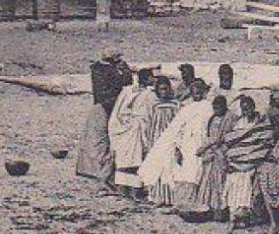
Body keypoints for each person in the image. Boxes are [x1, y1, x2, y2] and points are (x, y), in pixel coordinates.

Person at [141, 79, 212, 209]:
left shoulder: (206, 106)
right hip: (170, 138)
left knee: (193, 170)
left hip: (197, 141)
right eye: (194, 90)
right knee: (162, 165)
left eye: (199, 90)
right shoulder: (184, 107)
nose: (197, 93)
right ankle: (159, 196)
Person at [179, 95, 236, 222]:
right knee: (207, 180)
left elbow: (225, 136)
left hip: (221, 151)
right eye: (214, 108)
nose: (216, 110)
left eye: (218, 107)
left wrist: (206, 147)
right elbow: (209, 134)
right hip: (211, 152)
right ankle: (208, 208)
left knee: (219, 182)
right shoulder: (213, 118)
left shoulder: (229, 118)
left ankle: (219, 211)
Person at [77, 54, 131, 183]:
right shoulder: (100, 70)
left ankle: (105, 174)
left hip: (110, 107)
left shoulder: (105, 69)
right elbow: (107, 93)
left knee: (103, 143)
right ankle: (103, 175)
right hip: (106, 108)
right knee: (101, 143)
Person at [221, 96, 271, 229]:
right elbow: (232, 139)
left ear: (253, 107)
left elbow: (264, 139)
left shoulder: (261, 121)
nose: (246, 110)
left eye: (248, 107)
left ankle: (243, 215)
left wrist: (252, 155)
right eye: (243, 108)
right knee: (233, 178)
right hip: (238, 160)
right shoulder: (239, 122)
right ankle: (233, 215)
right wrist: (235, 156)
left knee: (246, 178)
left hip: (253, 160)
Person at [108, 67, 155, 195]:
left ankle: (133, 189)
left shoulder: (144, 93)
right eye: (151, 77)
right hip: (133, 128)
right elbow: (121, 110)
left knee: (134, 159)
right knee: (130, 159)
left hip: (135, 127)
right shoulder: (133, 92)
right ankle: (124, 189)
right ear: (146, 79)